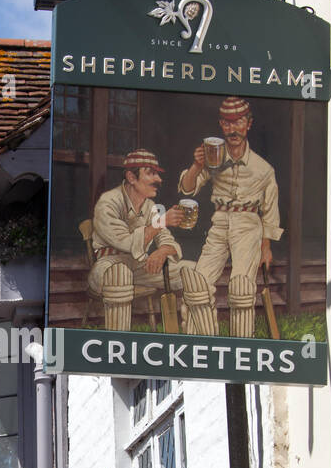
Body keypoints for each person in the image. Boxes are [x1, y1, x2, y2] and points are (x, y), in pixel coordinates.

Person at [178, 97, 282, 338]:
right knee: (198, 283)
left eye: (239, 122)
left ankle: (242, 343)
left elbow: (270, 211)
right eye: (227, 123)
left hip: (248, 224)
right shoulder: (213, 156)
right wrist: (196, 165)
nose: (232, 129)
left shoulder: (263, 168)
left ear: (249, 124)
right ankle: (200, 341)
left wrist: (266, 247)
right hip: (220, 221)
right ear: (221, 125)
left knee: (241, 286)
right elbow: (186, 188)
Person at [87, 150, 185, 331]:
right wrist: (161, 221)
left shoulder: (150, 206)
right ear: (131, 177)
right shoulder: (108, 202)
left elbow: (165, 238)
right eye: (151, 173)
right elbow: (125, 242)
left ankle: (192, 337)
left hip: (139, 265)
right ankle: (118, 345)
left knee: (193, 271)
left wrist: (162, 251)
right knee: (120, 275)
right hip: (107, 265)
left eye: (158, 174)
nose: (159, 180)